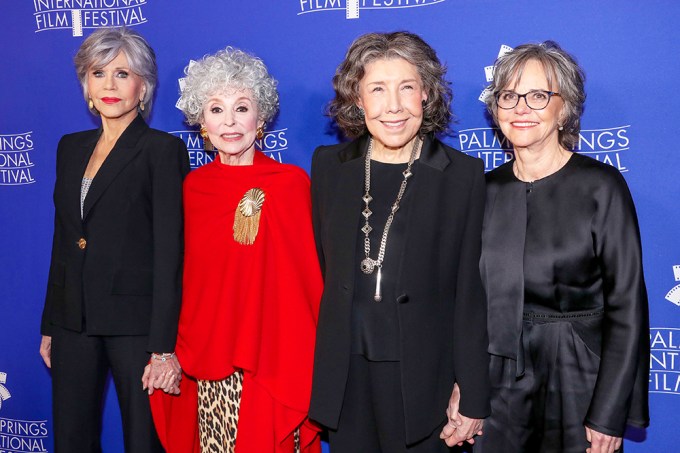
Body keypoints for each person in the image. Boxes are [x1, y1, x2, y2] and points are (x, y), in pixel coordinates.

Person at [308, 31, 490, 452]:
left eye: (406, 87)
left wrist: (473, 391)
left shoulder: (461, 176)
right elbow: (317, 272)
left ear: (426, 93)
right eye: (377, 89)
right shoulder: (329, 168)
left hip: (426, 386)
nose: (393, 106)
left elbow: (470, 293)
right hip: (345, 382)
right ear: (357, 98)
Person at [474, 41, 650, 453]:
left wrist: (608, 412)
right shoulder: (484, 191)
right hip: (499, 380)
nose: (521, 107)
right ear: (496, 109)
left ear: (564, 108)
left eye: (538, 96)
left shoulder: (601, 187)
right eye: (509, 95)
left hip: (580, 379)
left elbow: (627, 308)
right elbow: (465, 303)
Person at [149, 47, 323, 453]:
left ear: (260, 120)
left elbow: (307, 280)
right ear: (201, 123)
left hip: (277, 353)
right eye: (215, 109)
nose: (229, 121)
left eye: (241, 108)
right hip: (212, 353)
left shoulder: (291, 183)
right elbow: (185, 277)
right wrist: (171, 351)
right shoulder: (193, 188)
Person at [39, 27, 190, 452]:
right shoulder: (70, 147)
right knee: (71, 439)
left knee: (143, 442)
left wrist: (163, 346)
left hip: (136, 328)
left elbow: (170, 253)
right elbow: (64, 240)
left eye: (123, 74)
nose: (109, 85)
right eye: (98, 73)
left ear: (143, 85)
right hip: (73, 323)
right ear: (85, 84)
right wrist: (51, 324)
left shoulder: (162, 151)